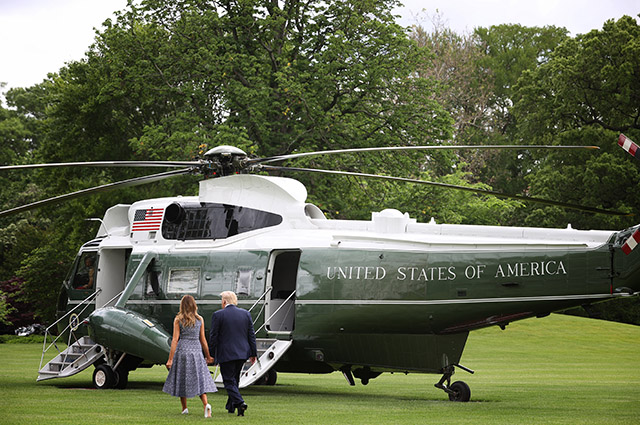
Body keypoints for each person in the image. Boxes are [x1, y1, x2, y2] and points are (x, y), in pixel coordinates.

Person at [163, 295, 217, 418]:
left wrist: (170, 359)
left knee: (182, 378)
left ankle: (184, 408)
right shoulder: (200, 319)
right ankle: (206, 405)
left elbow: (175, 340)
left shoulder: (178, 319)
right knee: (199, 380)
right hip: (196, 351)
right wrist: (208, 356)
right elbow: (203, 339)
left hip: (182, 351)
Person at [209, 291, 257, 416]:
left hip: (226, 353)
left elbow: (214, 336)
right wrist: (253, 353)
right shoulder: (246, 314)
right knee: (235, 379)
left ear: (224, 301)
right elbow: (251, 335)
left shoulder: (218, 315)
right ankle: (232, 407)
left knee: (229, 381)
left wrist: (211, 354)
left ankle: (240, 403)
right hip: (242, 352)